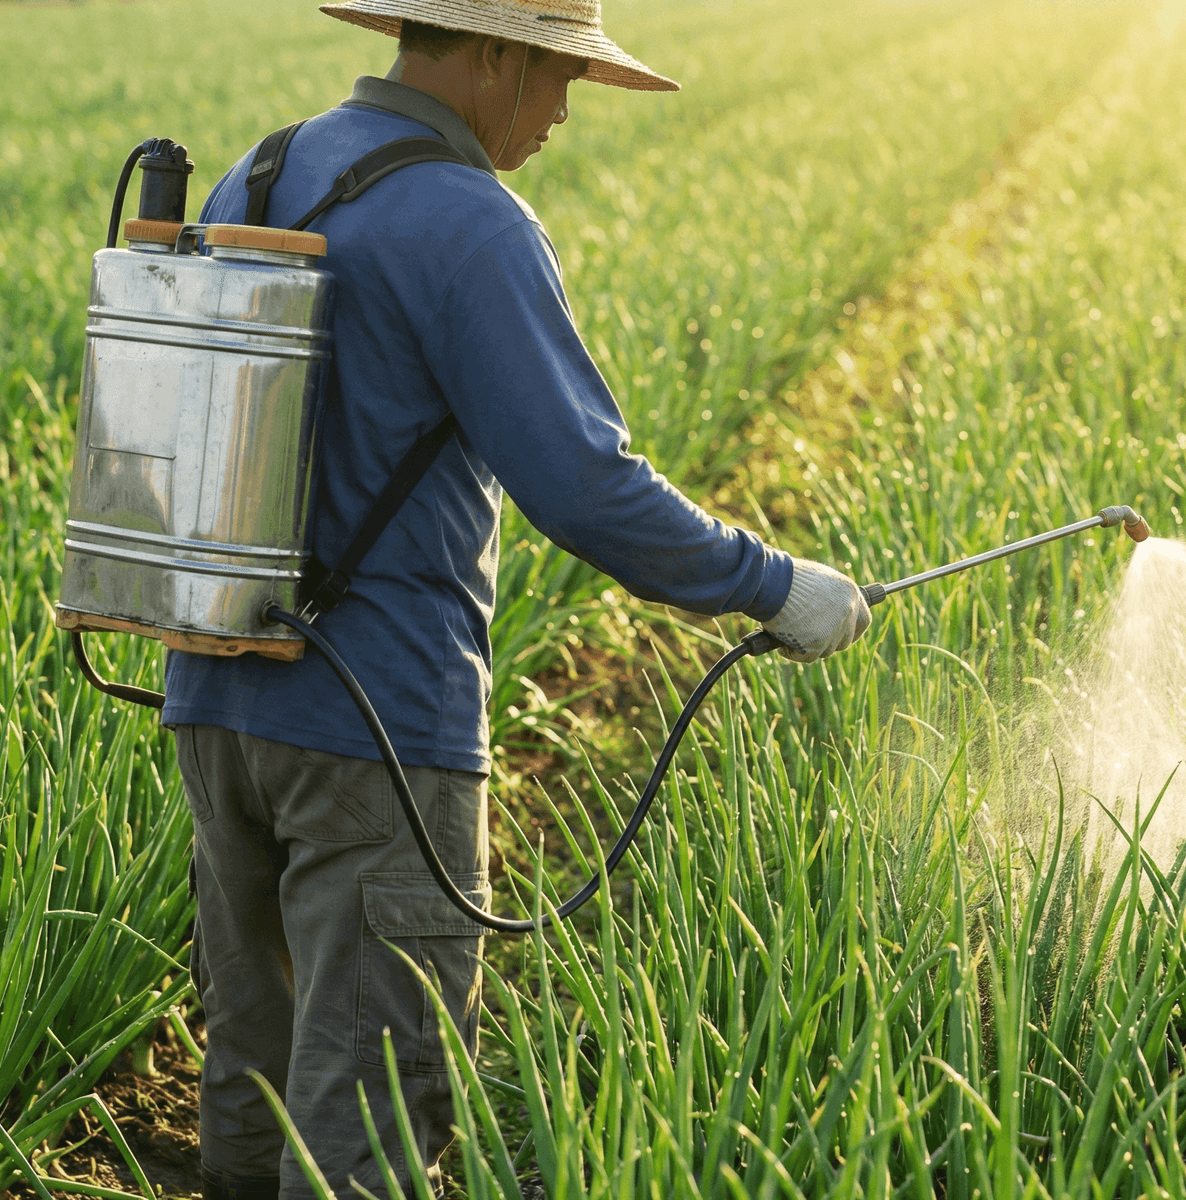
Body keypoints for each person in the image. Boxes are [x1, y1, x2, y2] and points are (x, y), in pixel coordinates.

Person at [160, 3, 870, 1197]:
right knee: (372, 1101)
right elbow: (583, 484)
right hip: (378, 729)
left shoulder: (267, 164)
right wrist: (776, 587)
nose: (557, 117)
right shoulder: (472, 223)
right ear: (494, 55)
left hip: (216, 699)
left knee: (257, 1064)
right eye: (558, 82)